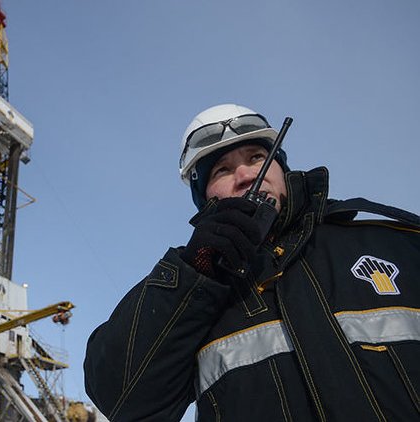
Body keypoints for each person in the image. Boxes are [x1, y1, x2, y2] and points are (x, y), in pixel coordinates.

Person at [84, 104, 420, 421]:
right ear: (205, 198)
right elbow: (121, 398)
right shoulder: (192, 298)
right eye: (222, 170)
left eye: (257, 157)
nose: (245, 175)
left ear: (281, 168)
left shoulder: (391, 241)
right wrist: (194, 273)